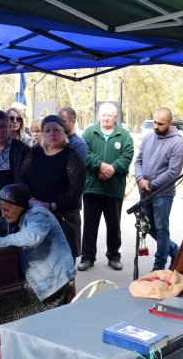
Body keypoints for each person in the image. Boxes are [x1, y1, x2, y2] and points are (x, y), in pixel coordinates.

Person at [0, 184, 76, 324]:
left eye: (6, 210)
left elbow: (33, 236)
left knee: (9, 309)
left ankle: (10, 342)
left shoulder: (39, 215)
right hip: (37, 275)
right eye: (1, 210)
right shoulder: (17, 216)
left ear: (20, 206)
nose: (3, 214)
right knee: (3, 298)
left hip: (53, 281)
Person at [17, 115, 86, 260]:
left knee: (63, 262)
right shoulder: (34, 152)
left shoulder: (72, 155)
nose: (52, 134)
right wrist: (31, 199)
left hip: (63, 217)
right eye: (47, 130)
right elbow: (21, 178)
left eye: (56, 130)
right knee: (38, 260)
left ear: (64, 132)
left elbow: (76, 190)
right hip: (35, 213)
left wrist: (51, 205)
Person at [79, 102, 134, 271]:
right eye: (103, 115)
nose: (106, 118)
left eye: (110, 115)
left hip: (114, 189)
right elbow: (83, 153)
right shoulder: (89, 132)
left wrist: (112, 168)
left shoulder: (124, 135)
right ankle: (87, 257)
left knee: (114, 225)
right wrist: (100, 166)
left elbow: (128, 154)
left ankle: (114, 256)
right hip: (92, 188)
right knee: (89, 226)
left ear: (116, 117)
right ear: (99, 116)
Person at [134, 108, 183, 271]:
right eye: (154, 122)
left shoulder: (177, 143)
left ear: (170, 123)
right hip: (145, 191)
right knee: (148, 226)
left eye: (160, 124)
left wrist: (151, 184)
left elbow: (173, 172)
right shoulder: (149, 137)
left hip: (163, 194)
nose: (156, 126)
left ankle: (159, 266)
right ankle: (175, 250)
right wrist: (140, 179)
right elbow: (138, 161)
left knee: (162, 228)